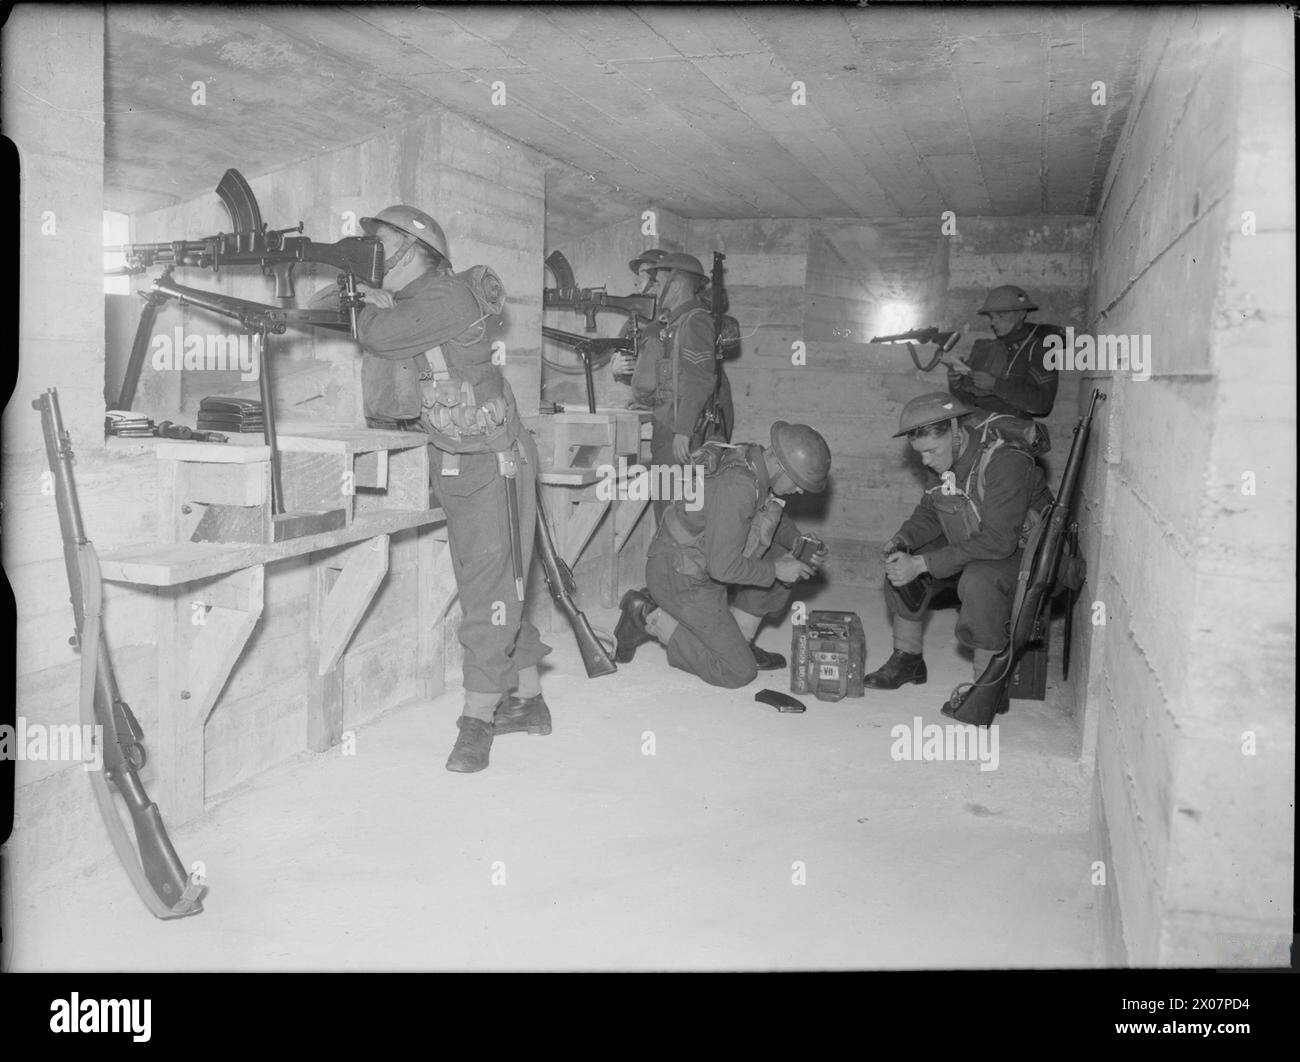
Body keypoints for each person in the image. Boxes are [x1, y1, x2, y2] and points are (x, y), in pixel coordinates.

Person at [326, 204, 552, 773]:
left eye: (377, 245)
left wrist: (362, 300)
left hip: (491, 464)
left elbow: (379, 335)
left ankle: (477, 721)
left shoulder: (446, 296)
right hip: (460, 458)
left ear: (410, 248)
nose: (370, 256)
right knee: (501, 582)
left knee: (487, 589)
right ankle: (527, 701)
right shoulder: (418, 301)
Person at [864, 392, 1053, 715]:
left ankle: (987, 687)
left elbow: (998, 541)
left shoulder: (1005, 460)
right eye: (919, 453)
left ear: (955, 430)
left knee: (980, 579)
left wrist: (923, 564)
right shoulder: (943, 461)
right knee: (901, 557)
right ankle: (908, 658)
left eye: (931, 451)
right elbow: (930, 512)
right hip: (978, 541)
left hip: (1024, 555)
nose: (926, 461)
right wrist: (903, 539)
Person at [614, 422, 832, 689]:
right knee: (738, 670)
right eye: (798, 483)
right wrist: (776, 571)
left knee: (788, 553)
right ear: (780, 464)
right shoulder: (739, 487)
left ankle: (739, 637)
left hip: (693, 565)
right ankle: (648, 614)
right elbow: (723, 568)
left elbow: (770, 513)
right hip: (681, 577)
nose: (799, 491)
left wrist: (799, 541)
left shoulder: (753, 460)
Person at [628, 252, 719, 519]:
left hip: (678, 437)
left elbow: (699, 380)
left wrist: (683, 431)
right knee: (667, 510)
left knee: (675, 516)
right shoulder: (674, 323)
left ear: (676, 285)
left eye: (659, 282)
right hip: (668, 430)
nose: (654, 288)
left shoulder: (696, 321)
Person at [946, 285, 1064, 420]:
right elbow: (970, 400)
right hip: (978, 424)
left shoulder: (1039, 350)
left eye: (1001, 316)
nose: (993, 322)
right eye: (991, 317)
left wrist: (995, 385)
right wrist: (957, 384)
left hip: (1012, 432)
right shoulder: (988, 348)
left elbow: (1043, 405)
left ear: (1021, 314)